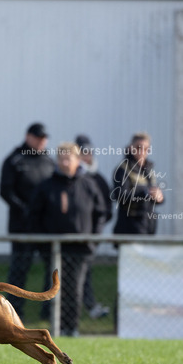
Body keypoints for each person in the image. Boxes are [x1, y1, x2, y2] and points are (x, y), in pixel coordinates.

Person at [30, 142, 108, 337]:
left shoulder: (88, 184)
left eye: (69, 158)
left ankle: (72, 327)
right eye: (61, 158)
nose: (65, 163)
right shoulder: (47, 186)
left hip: (81, 249)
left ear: (77, 160)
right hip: (55, 248)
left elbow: (101, 213)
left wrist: (93, 239)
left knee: (75, 289)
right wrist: (43, 243)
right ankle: (57, 327)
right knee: (57, 288)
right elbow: (34, 216)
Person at [0, 122, 55, 321]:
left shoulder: (49, 161)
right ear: (28, 136)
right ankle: (13, 312)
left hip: (45, 228)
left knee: (52, 268)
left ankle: (49, 313)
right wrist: (26, 210)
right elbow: (5, 191)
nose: (42, 141)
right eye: (38, 137)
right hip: (22, 226)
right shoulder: (14, 160)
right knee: (19, 270)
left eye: (44, 138)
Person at [75, 134, 112, 320]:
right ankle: (51, 310)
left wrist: (94, 233)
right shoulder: (71, 178)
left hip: (89, 238)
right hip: (71, 236)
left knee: (85, 273)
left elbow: (105, 210)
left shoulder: (99, 180)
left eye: (88, 153)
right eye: (82, 153)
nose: (86, 157)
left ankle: (88, 306)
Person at [112, 132, 164, 236]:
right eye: (139, 147)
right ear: (131, 147)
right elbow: (120, 197)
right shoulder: (123, 169)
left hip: (147, 228)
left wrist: (159, 197)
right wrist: (144, 193)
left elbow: (154, 198)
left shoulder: (149, 169)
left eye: (146, 149)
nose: (142, 152)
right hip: (129, 229)